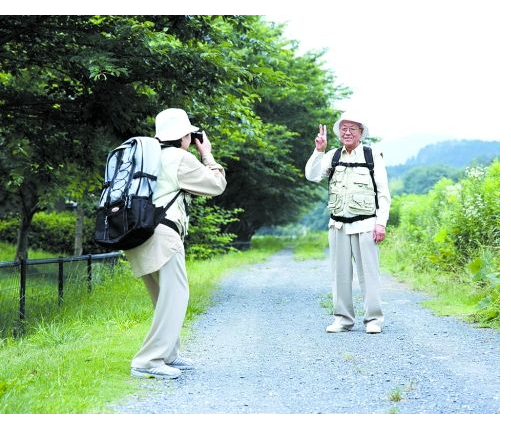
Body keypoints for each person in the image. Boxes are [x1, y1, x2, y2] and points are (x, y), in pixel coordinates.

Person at [124, 108, 227, 379]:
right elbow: (216, 185)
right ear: (184, 136)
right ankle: (149, 360)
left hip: (137, 234)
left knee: (163, 299)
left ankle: (168, 354)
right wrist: (207, 154)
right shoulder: (181, 158)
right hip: (163, 235)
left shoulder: (146, 156)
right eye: (190, 135)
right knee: (177, 297)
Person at [304, 112, 391, 334]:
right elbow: (312, 176)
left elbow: (383, 193)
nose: (347, 132)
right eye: (344, 128)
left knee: (369, 275)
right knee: (340, 275)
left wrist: (381, 223)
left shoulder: (373, 156)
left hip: (366, 225)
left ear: (361, 133)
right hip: (338, 226)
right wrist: (319, 150)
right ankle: (343, 319)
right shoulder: (332, 156)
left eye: (353, 128)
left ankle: (373, 320)